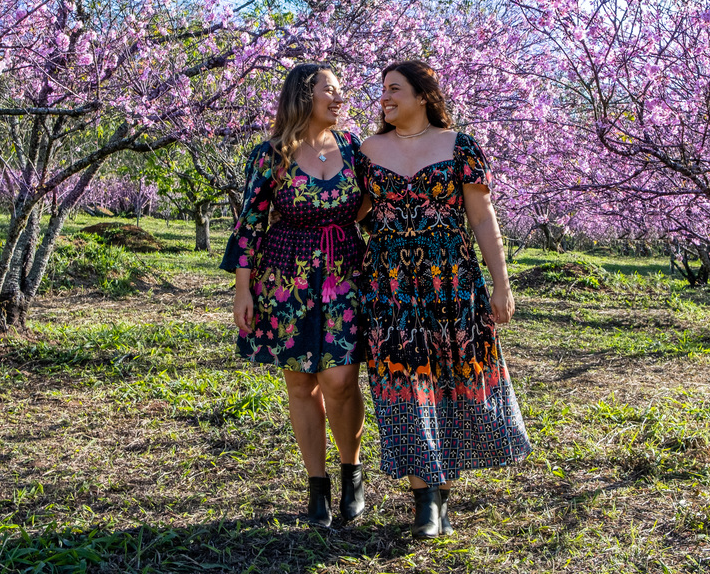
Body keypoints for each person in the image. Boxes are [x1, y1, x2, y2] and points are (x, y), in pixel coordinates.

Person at [359, 60, 531, 539]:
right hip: (390, 288)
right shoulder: (367, 151)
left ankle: (443, 493)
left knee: (454, 380)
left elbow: (481, 217)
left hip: (452, 283)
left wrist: (501, 284)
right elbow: (346, 209)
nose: (385, 98)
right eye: (383, 91)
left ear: (422, 95)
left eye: (395, 89)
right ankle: (425, 503)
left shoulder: (459, 146)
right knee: (404, 384)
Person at [221, 62, 368, 527]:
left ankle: (352, 474)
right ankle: (317, 488)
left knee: (341, 381)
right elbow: (249, 226)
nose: (339, 98)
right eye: (331, 90)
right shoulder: (271, 155)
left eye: (340, 90)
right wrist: (242, 291)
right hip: (286, 279)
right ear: (305, 96)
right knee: (301, 383)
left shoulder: (353, 147)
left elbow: (370, 203)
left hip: (345, 272)